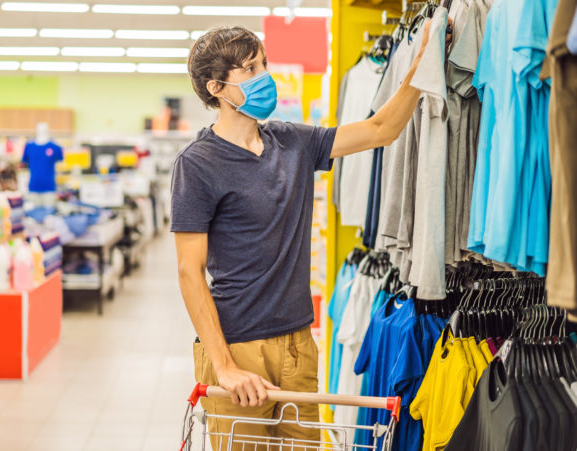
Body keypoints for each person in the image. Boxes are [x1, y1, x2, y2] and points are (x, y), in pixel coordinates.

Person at [172, 24, 435, 449]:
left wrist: (422, 67)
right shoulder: (197, 164)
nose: (265, 77)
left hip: (298, 344)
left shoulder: (292, 141)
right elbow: (189, 272)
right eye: (251, 69)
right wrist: (224, 367)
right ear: (217, 87)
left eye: (264, 64)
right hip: (236, 347)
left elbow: (381, 129)